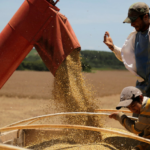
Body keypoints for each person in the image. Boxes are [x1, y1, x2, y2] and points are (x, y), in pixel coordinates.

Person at [103, 2, 150, 97]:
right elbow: (126, 57)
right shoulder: (136, 35)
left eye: (134, 20)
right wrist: (112, 47)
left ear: (145, 17)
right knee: (137, 110)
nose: (132, 24)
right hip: (142, 89)